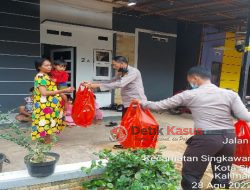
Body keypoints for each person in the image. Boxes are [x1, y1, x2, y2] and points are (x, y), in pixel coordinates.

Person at [140, 66, 250, 190]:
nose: (190, 84)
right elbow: (245, 116)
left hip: (206, 139)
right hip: (229, 139)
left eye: (190, 81)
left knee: (191, 175)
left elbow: (159, 106)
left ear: (195, 78)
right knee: (222, 175)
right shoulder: (230, 94)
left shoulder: (189, 94)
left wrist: (142, 103)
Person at [32, 58, 74, 142]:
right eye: (46, 65)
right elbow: (44, 93)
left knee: (48, 122)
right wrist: (64, 90)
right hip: (45, 104)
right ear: (39, 67)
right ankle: (46, 142)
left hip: (49, 104)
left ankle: (46, 140)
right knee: (46, 122)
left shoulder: (46, 75)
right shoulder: (40, 76)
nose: (49, 67)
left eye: (50, 65)